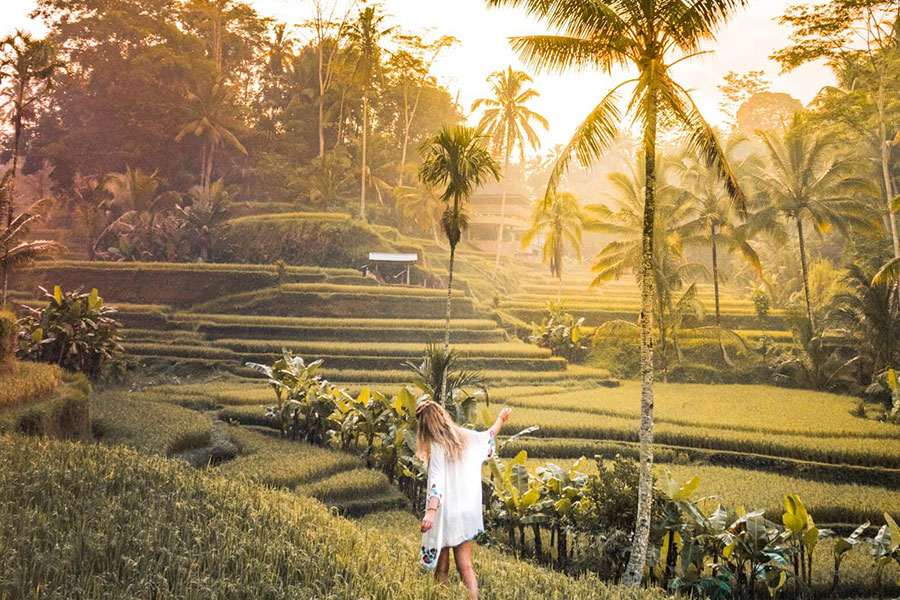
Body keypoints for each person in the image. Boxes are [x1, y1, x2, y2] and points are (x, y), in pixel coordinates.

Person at [416, 400, 512, 599]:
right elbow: (490, 435)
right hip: (466, 513)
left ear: (425, 427)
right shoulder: (464, 437)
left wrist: (431, 512)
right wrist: (501, 418)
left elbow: (436, 480)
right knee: (466, 567)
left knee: (442, 568)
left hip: (445, 514)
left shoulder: (436, 446)